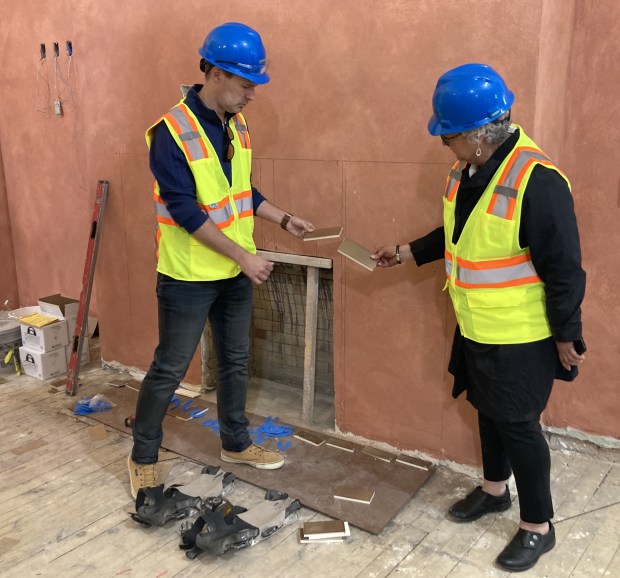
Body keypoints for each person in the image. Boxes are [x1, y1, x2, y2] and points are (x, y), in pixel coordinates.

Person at [372, 63, 586, 572]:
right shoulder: (469, 170)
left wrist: (567, 335)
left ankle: (539, 526)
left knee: (518, 425)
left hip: (521, 334)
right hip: (476, 325)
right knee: (486, 412)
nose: (442, 143)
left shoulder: (539, 181)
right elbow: (458, 235)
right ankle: (495, 491)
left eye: (446, 135)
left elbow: (565, 269)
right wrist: (405, 252)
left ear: (473, 135)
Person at [128, 22, 314, 499]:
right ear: (213, 72)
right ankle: (143, 457)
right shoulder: (171, 132)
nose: (252, 93)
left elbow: (241, 191)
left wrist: (282, 217)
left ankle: (235, 442)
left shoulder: (236, 124)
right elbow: (186, 209)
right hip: (188, 276)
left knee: (235, 361)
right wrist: (245, 257)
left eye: (255, 84)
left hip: (231, 272)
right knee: (169, 368)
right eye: (245, 83)